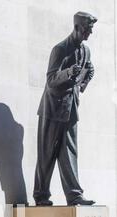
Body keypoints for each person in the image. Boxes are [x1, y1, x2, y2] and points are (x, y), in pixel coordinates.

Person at [33, 11, 97, 206]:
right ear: (77, 27)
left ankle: (75, 195)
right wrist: (68, 72)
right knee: (47, 153)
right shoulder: (60, 49)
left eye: (91, 29)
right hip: (52, 110)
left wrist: (87, 75)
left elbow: (82, 81)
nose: (90, 33)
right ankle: (41, 196)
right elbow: (51, 81)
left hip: (71, 111)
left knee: (70, 153)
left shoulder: (86, 51)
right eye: (87, 29)